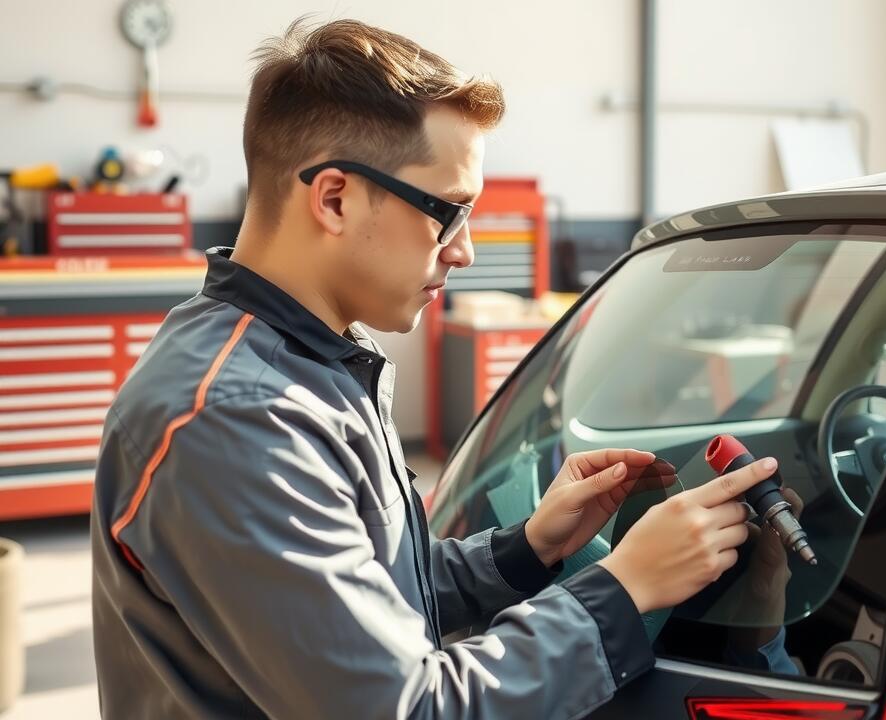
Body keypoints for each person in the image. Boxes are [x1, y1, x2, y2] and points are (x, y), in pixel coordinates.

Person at [89, 17, 776, 720]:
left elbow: (368, 600)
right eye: (447, 213)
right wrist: (625, 589)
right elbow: (407, 709)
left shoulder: (309, 363)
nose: (464, 251)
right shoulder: (238, 421)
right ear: (333, 198)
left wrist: (527, 550)